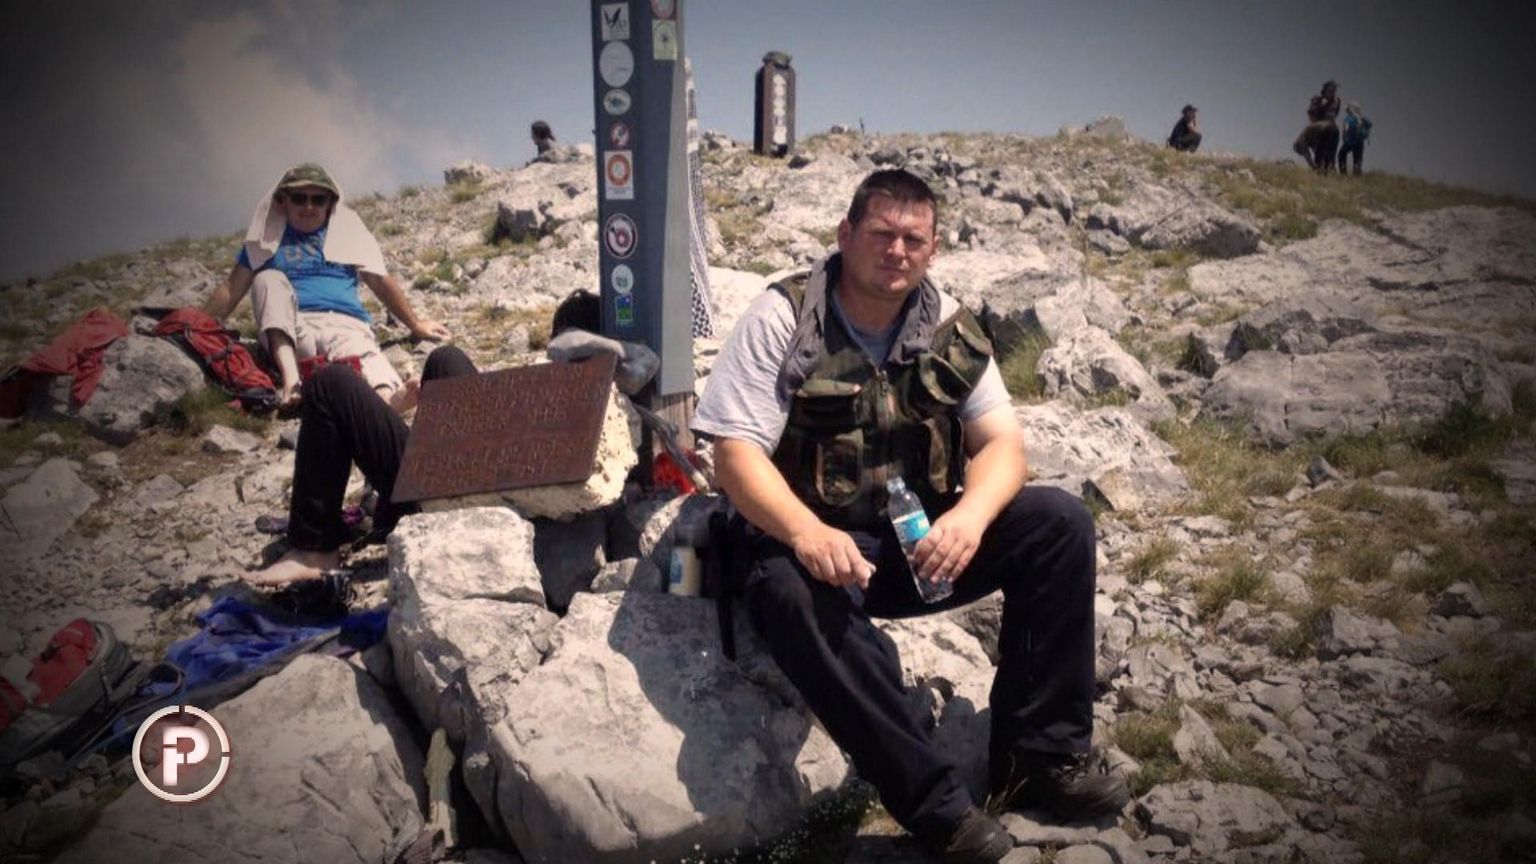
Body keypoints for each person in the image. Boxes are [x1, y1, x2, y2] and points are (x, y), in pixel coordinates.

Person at [693, 170, 1126, 863]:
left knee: (1059, 524)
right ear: (845, 235)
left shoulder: (948, 324)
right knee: (786, 592)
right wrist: (806, 532)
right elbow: (735, 456)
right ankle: (939, 810)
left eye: (913, 240)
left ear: (933, 249)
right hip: (811, 547)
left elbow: (1002, 444)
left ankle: (1040, 760)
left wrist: (970, 518)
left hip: (917, 544)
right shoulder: (785, 317)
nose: (896, 251)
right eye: (881, 234)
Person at [204, 163, 450, 411]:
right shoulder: (266, 240)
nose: (308, 207)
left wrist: (415, 324)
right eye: (299, 198)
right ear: (283, 201)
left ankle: (388, 400)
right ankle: (292, 382)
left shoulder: (346, 235)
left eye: (318, 199)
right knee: (266, 279)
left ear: (330, 203)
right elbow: (232, 288)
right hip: (292, 328)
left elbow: (378, 279)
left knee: (360, 349)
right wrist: (198, 324)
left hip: (343, 322)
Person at [247, 344, 474, 585]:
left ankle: (313, 552)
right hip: (483, 488)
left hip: (441, 507)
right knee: (446, 359)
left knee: (330, 384)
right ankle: (490, 494)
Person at [1293, 80, 1342, 172]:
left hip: (1325, 127)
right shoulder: (1324, 100)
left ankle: (1323, 169)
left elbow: (1312, 114)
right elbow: (1313, 114)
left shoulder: (1334, 101)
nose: (1331, 92)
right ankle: (1325, 169)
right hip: (1327, 128)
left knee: (1326, 151)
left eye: (1333, 90)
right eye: (1330, 90)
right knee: (1324, 151)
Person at [1339, 102, 1373, 176]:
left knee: (1341, 155)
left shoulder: (1348, 118)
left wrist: (1345, 139)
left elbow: (1346, 130)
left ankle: (1343, 173)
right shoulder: (1361, 118)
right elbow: (1370, 124)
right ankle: (1357, 174)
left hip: (1350, 142)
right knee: (1357, 159)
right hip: (1360, 142)